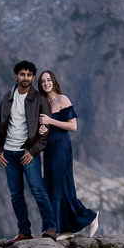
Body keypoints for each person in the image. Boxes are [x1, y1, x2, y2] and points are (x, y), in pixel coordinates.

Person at [0, 59, 55, 241]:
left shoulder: (40, 99)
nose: (25, 78)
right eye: (22, 74)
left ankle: (50, 227)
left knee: (38, 190)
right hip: (9, 154)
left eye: (29, 75)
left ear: (33, 77)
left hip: (28, 154)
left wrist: (33, 151)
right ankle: (24, 232)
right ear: (16, 76)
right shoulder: (6, 97)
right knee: (16, 195)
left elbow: (46, 132)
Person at [34, 69, 97, 238]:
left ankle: (89, 217)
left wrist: (50, 121)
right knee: (52, 186)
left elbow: (73, 126)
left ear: (53, 81)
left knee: (63, 184)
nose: (46, 83)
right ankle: (64, 229)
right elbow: (45, 128)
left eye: (48, 80)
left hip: (62, 148)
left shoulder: (63, 99)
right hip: (48, 150)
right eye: (43, 81)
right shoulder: (43, 103)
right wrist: (42, 128)